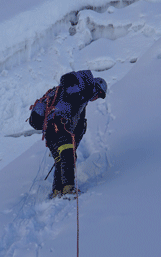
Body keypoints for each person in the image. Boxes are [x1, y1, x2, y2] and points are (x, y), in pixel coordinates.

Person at [27, 70, 107, 198]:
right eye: (98, 94)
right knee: (68, 153)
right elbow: (78, 126)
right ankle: (68, 189)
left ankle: (57, 190)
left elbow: (79, 125)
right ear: (96, 87)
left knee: (61, 158)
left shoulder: (71, 97)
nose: (95, 98)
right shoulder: (85, 90)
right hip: (60, 122)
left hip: (49, 128)